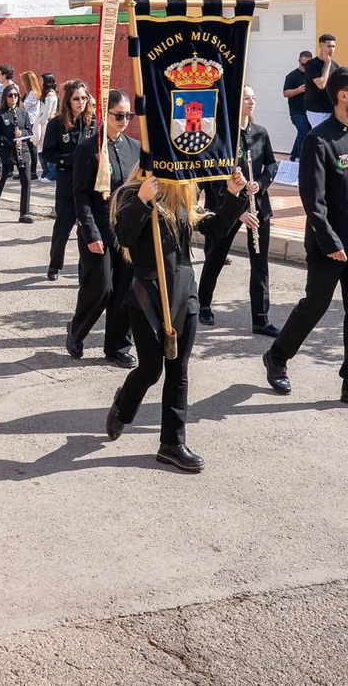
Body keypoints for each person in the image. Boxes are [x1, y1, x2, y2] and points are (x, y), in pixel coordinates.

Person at [263, 68, 348, 410]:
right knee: (315, 305)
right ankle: (277, 356)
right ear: (343, 96)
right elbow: (314, 199)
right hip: (329, 246)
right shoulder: (318, 139)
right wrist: (330, 241)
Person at [105, 163, 249, 471]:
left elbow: (215, 228)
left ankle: (172, 443)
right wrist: (143, 200)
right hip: (147, 295)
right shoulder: (131, 194)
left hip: (184, 293)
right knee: (150, 370)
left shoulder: (182, 194)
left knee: (178, 369)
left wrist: (233, 195)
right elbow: (124, 237)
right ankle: (124, 403)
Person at [195, 86, 278, 335]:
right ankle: (203, 304)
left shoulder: (260, 133)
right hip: (228, 208)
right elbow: (214, 177)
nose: (252, 101)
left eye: (254, 97)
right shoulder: (222, 136)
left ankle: (260, 318)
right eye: (246, 98)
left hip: (257, 206)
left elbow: (271, 165)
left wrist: (260, 183)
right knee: (216, 257)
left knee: (260, 263)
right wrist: (235, 211)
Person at [67, 90, 141, 365]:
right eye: (119, 115)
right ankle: (76, 331)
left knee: (125, 289)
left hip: (127, 230)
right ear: (105, 114)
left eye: (128, 115)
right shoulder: (89, 148)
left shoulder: (135, 147)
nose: (125, 120)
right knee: (101, 287)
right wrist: (90, 233)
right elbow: (81, 196)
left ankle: (117, 347)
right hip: (98, 228)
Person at [41, 79, 96, 281]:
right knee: (62, 229)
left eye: (84, 98)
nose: (81, 102)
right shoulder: (56, 124)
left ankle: (84, 270)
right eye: (76, 99)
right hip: (68, 181)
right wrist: (71, 159)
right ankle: (54, 265)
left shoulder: (92, 122)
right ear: (68, 101)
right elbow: (48, 153)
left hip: (89, 183)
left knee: (86, 229)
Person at [0, 85, 34, 223]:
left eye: (15, 95)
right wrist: (10, 142)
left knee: (26, 181)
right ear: (5, 97)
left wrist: (22, 134)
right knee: (0, 181)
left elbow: (29, 131)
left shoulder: (23, 113)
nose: (13, 97)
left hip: (22, 151)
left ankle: (24, 213)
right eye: (10, 95)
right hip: (6, 152)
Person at [282, 50, 313, 159]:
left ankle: (293, 157)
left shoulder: (312, 75)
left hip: (310, 111)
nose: (305, 67)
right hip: (297, 112)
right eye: (303, 64)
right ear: (299, 61)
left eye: (308, 64)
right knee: (304, 133)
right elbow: (285, 93)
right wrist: (298, 90)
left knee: (303, 133)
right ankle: (300, 158)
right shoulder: (292, 76)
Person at [302, 34, 336, 128]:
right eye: (328, 46)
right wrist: (327, 64)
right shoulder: (311, 64)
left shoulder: (335, 65)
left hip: (331, 109)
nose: (332, 49)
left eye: (333, 46)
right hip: (316, 110)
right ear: (321, 45)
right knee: (320, 135)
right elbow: (321, 85)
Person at [21, 69, 49, 176]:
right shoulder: (28, 93)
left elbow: (24, 106)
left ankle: (33, 171)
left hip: (32, 122)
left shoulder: (33, 93)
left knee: (32, 147)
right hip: (27, 121)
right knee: (27, 147)